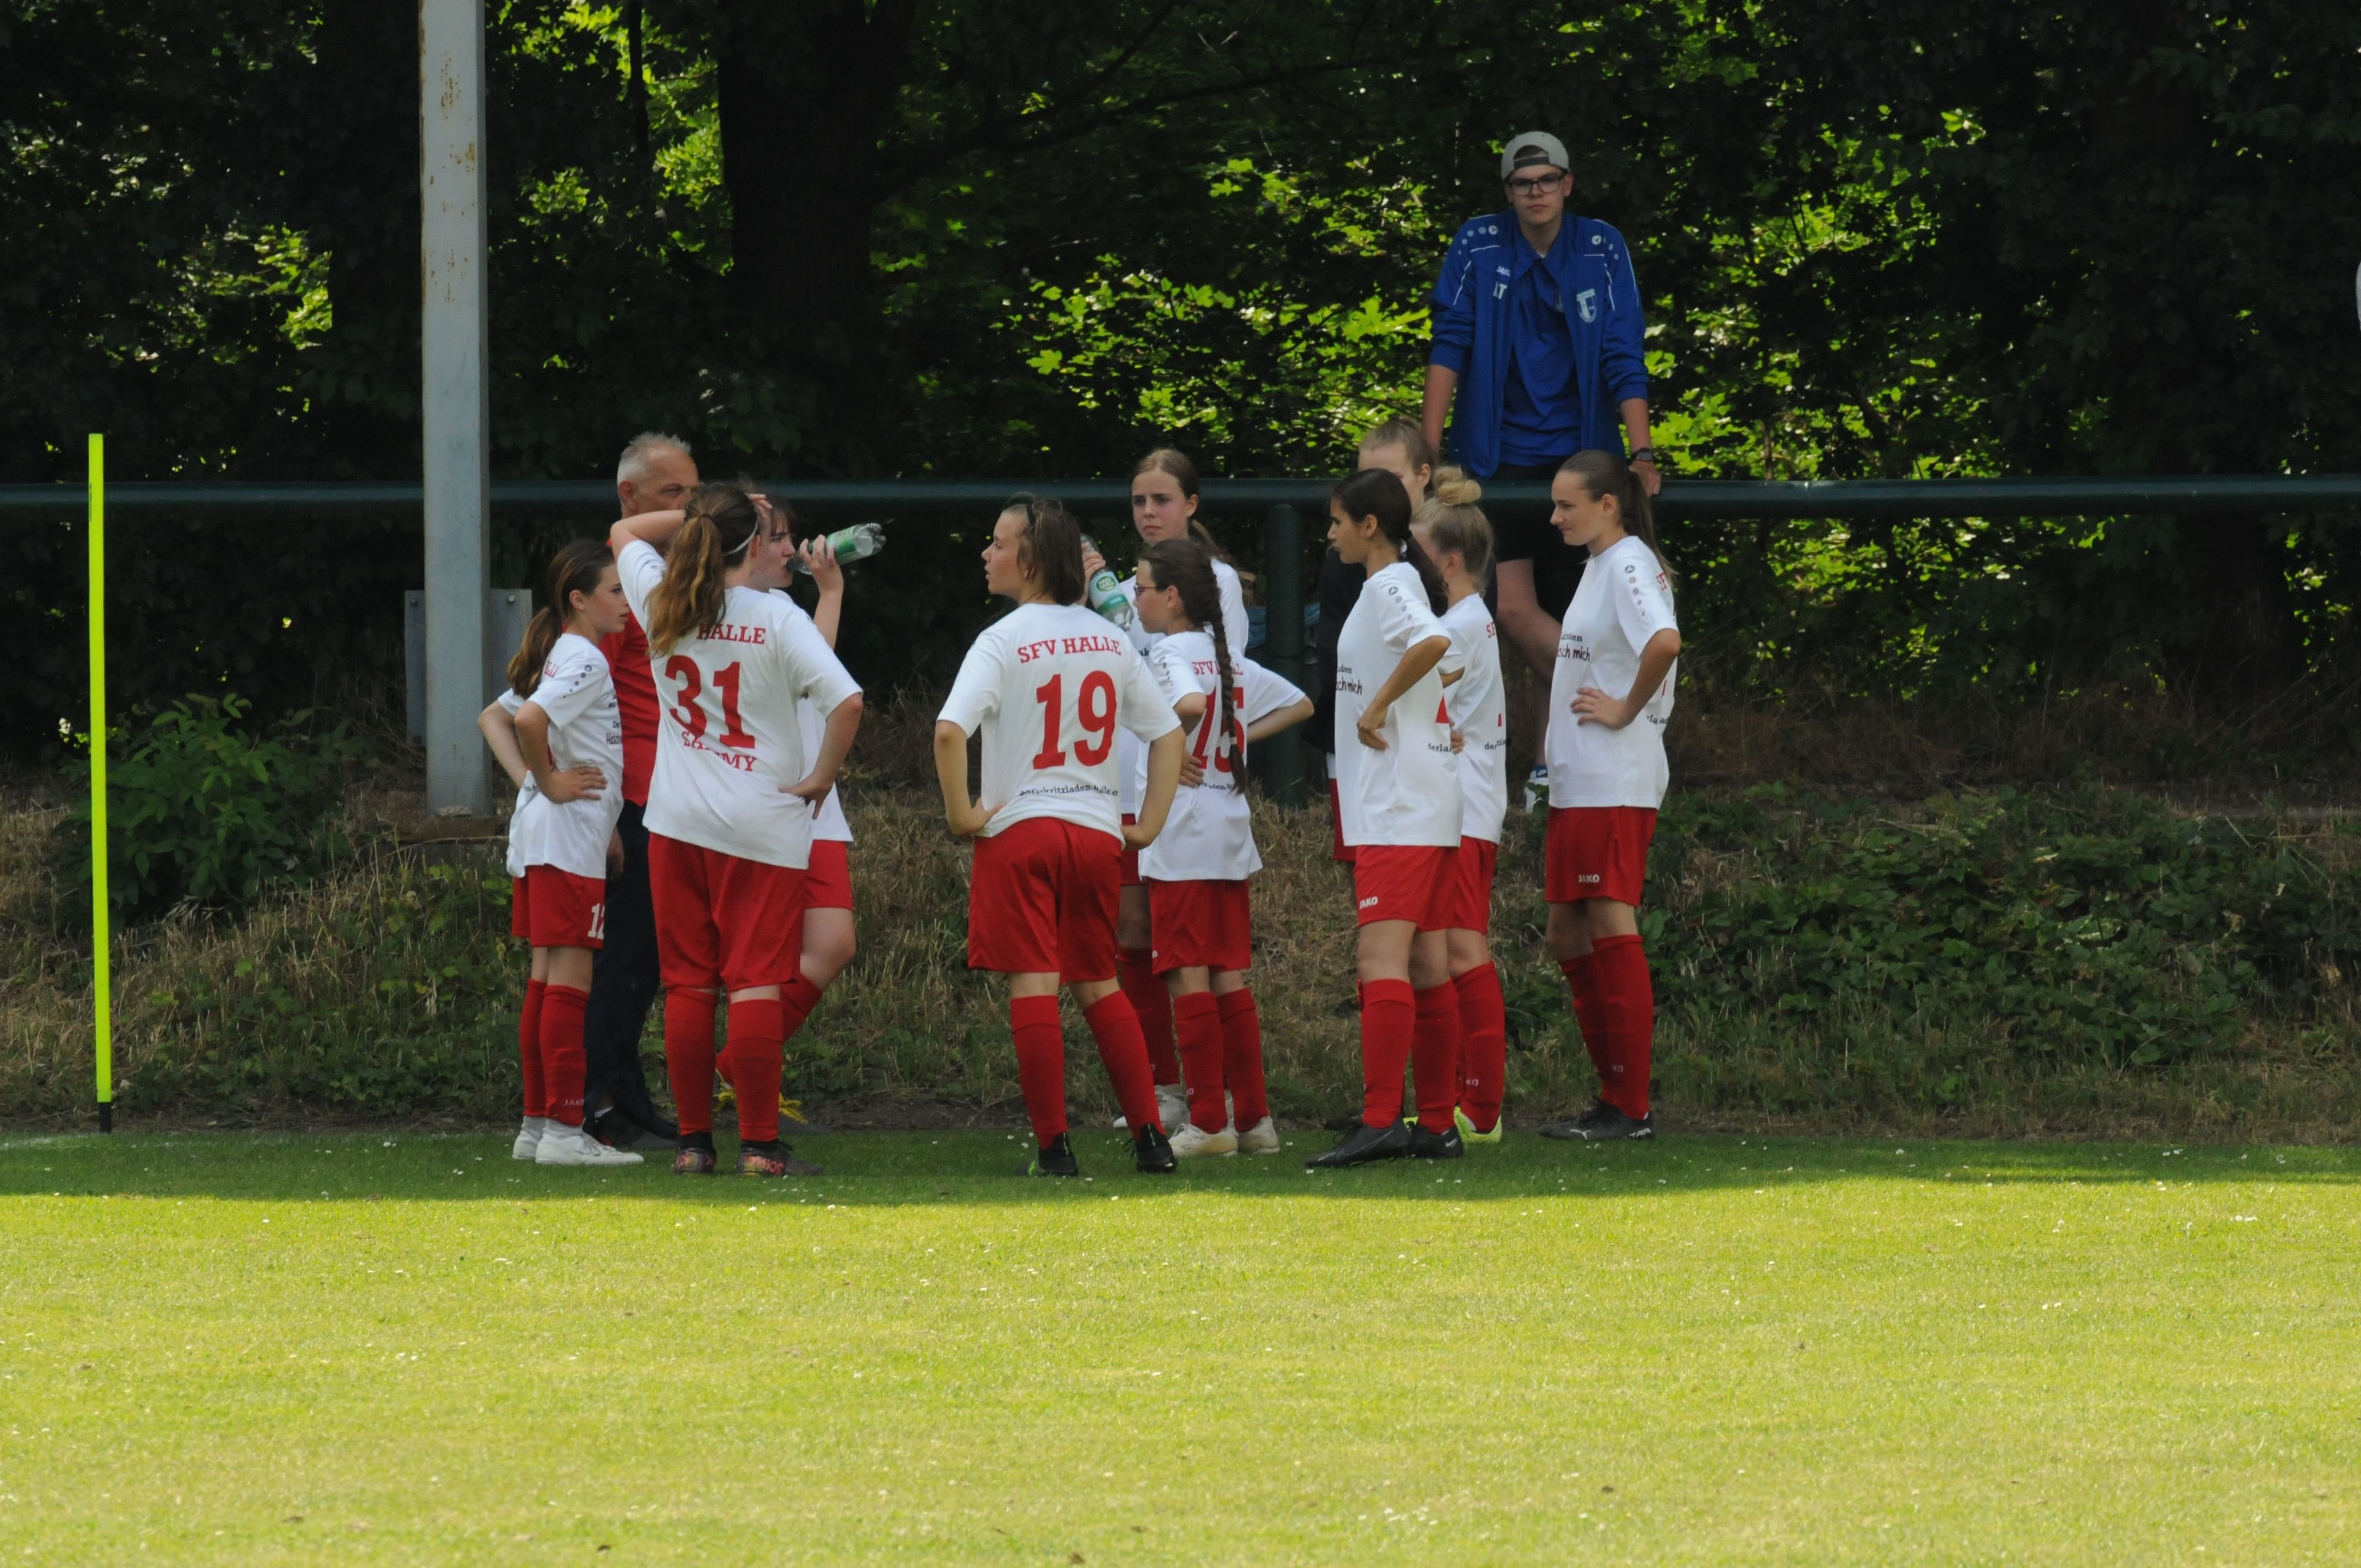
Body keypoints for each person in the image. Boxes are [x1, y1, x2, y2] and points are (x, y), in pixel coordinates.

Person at [607, 484, 865, 1178]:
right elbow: (846, 700)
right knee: (754, 982)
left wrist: (697, 513)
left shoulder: (663, 599)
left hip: (674, 822)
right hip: (761, 820)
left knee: (689, 985)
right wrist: (819, 777)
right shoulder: (774, 615)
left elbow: (623, 531)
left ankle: (693, 1144)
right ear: (754, 545)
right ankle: (759, 1146)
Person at [935, 495, 1186, 1177]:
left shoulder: (1001, 638)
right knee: (1099, 983)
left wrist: (961, 813)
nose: (987, 553)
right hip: (1097, 833)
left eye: (997, 541)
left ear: (1031, 556)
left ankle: (1054, 1147)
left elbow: (949, 730)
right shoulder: (1109, 637)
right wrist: (1150, 824)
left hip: (1022, 832)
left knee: (1035, 986)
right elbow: (1167, 733)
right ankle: (1150, 1140)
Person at [1421, 131, 1660, 799]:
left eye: (1547, 179)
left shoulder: (1600, 247)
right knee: (1519, 612)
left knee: (1579, 612)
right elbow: (1451, 340)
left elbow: (1622, 351)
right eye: (1523, 182)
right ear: (1507, 191)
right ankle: (1612, 705)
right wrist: (1428, 448)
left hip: (1582, 461)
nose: (1536, 192)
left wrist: (1640, 453)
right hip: (1497, 462)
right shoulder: (1478, 243)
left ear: (1568, 184)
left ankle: (1549, 764)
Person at [1080, 449, 1247, 1132]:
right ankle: (1164, 1086)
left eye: (1162, 499)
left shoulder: (1217, 582)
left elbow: (1221, 678)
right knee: (1132, 932)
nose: (1149, 512)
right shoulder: (1129, 587)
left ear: (1192, 504)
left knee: (1196, 953)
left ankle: (1225, 1097)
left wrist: (1203, 747)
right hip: (1125, 779)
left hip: (1183, 795)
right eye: (1138, 501)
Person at [1308, 469, 1467, 1169]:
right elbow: (1445, 662)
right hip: (1424, 795)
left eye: (1339, 520)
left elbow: (1433, 645)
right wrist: (1411, 702)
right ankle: (1436, 1122)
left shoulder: (1387, 582)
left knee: (1380, 962)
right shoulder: (1400, 580)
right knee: (1429, 963)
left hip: (1397, 802)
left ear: (1369, 524)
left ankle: (1380, 1120)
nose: (1332, 532)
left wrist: (1376, 709)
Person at [476, 541, 642, 1167]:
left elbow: (495, 716)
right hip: (562, 835)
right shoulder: (587, 659)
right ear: (579, 598)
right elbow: (527, 720)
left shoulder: (565, 653)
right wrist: (547, 781)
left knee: (546, 980)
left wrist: (544, 789)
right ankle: (566, 1133)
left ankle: (537, 1126)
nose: (627, 603)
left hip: (552, 834)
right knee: (569, 984)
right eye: (617, 591)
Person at [1130, 537, 1296, 1158]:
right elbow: (1299, 702)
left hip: (1186, 832)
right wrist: (1231, 739)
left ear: (1171, 596)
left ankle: (1206, 1121)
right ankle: (1253, 1119)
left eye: (1142, 587)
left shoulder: (1170, 649)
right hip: (1229, 826)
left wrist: (1176, 750)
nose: (1136, 599)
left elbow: (1190, 706)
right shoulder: (1224, 655)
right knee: (1228, 975)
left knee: (1185, 974)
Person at [1534, 451, 1680, 1142]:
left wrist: (1624, 708)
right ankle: (1612, 1093)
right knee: (1566, 930)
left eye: (1567, 505)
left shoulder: (1626, 562)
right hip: (1577, 779)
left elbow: (1665, 641)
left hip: (1613, 775)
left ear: (1608, 505)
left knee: (1610, 923)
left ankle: (1630, 1105)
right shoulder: (1599, 565)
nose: (1555, 516)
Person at [578, 431, 699, 1148]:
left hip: (666, 793)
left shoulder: (653, 574)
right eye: (674, 495)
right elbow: (585, 698)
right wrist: (610, 816)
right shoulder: (613, 580)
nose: (689, 508)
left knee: (648, 955)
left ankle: (620, 1095)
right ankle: (605, 1101)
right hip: (634, 796)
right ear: (631, 498)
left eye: (693, 491)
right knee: (625, 954)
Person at [1410, 476, 1512, 1143]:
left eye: (1416, 549)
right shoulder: (1469, 620)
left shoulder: (1458, 625)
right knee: (1453, 946)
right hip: (1468, 800)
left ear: (1447, 559)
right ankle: (1461, 1100)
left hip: (1465, 804)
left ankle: (1479, 1106)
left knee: (1460, 947)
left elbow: (1423, 695)